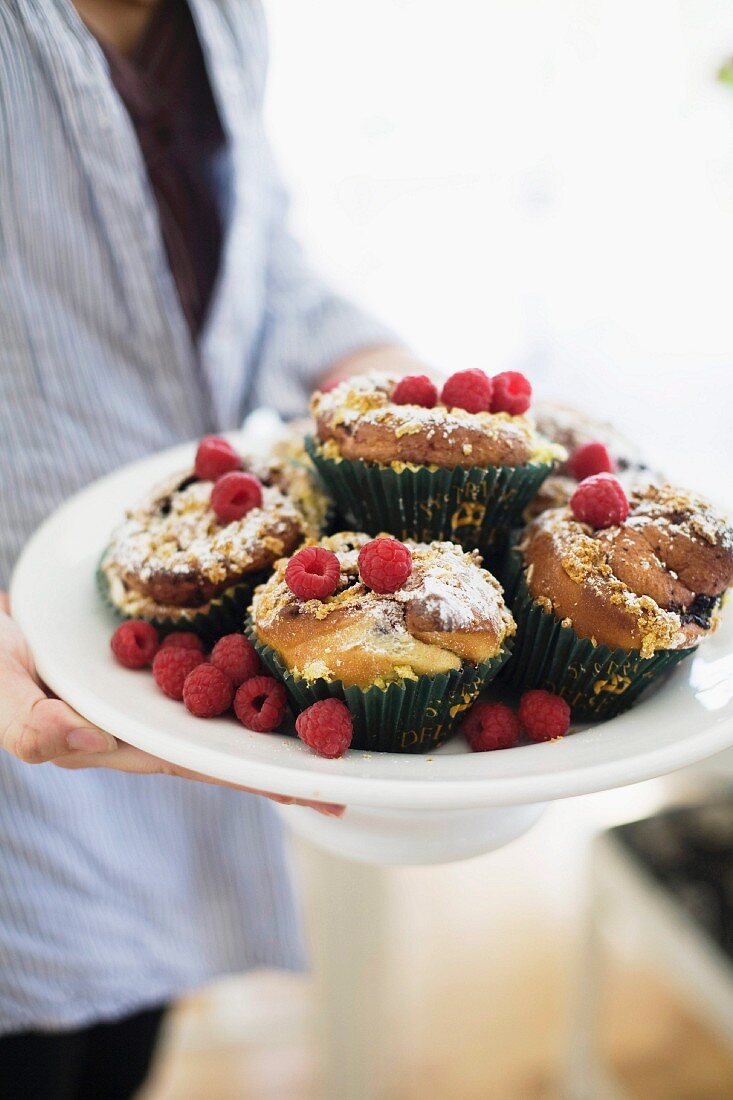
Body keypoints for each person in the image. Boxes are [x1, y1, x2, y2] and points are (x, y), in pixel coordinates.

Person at [0, 1, 422, 1095]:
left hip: (140, 690)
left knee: (113, 1043)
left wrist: (388, 390)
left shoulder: (223, 18)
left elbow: (258, 277)